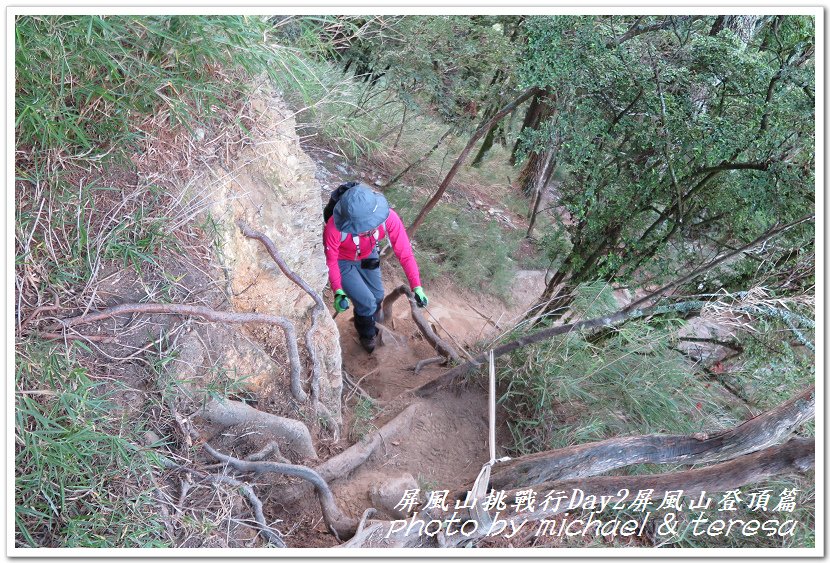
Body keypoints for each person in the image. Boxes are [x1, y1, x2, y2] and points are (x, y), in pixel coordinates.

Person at [323, 182, 428, 353]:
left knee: (378, 295)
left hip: (369, 254)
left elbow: (405, 253)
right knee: (366, 302)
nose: (365, 230)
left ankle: (368, 319)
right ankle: (367, 334)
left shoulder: (389, 218)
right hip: (343, 262)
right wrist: (338, 291)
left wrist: (417, 286)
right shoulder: (334, 227)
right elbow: (332, 260)